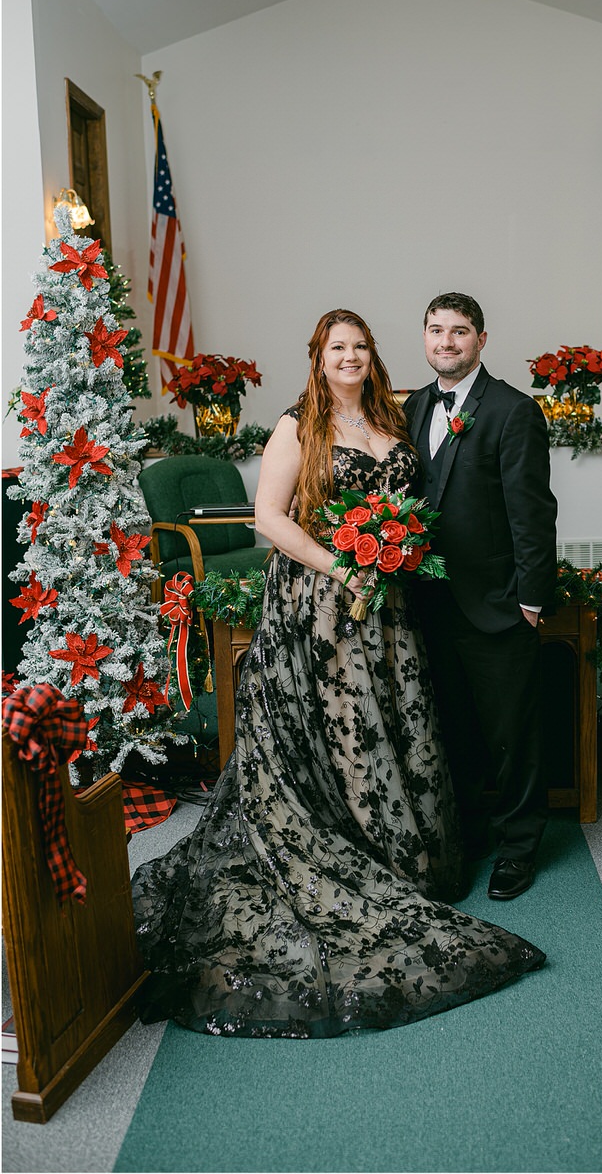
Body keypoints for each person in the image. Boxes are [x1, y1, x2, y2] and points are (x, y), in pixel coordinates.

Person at [131, 308, 546, 1039]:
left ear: (372, 355)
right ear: (318, 358)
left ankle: (406, 850)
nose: (348, 357)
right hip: (324, 601)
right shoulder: (300, 424)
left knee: (393, 721)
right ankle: (351, 850)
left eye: (359, 346)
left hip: (392, 607)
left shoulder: (399, 415)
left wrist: (392, 556)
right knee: (340, 727)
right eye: (336, 348)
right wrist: (345, 565)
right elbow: (269, 516)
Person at [404, 293, 558, 902]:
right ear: (424, 339)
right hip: (427, 602)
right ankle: (464, 836)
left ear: (481, 340)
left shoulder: (513, 411)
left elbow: (532, 511)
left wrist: (532, 598)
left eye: (460, 331)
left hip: (497, 602)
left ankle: (519, 848)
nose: (447, 342)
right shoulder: (413, 407)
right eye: (437, 330)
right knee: (452, 729)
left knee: (512, 734)